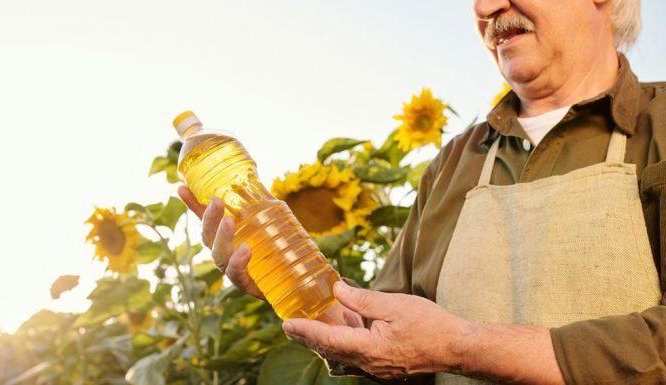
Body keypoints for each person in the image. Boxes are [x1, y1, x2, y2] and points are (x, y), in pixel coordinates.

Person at [179, 0, 666, 383]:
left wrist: (467, 347)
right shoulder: (454, 162)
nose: (485, 7)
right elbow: (377, 336)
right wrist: (285, 282)